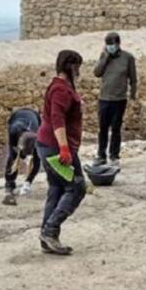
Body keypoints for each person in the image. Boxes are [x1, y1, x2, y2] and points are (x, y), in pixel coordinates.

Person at [34, 50, 87, 255]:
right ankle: (50, 230)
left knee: (56, 189)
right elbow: (57, 119)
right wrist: (64, 148)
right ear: (71, 67)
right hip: (56, 147)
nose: (79, 71)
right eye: (77, 66)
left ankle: (47, 236)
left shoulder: (59, 87)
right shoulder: (61, 90)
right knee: (76, 187)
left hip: (48, 144)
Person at [92, 31, 138, 167]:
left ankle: (114, 156)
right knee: (103, 128)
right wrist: (105, 58)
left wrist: (133, 95)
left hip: (119, 99)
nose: (110, 47)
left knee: (116, 129)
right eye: (107, 45)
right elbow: (97, 73)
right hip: (104, 99)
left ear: (118, 44)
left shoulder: (128, 58)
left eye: (112, 44)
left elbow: (133, 79)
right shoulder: (104, 56)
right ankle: (101, 155)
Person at [2, 107, 40, 206]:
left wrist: (28, 182)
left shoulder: (37, 137)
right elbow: (12, 152)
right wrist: (17, 155)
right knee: (12, 157)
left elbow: (37, 162)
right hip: (16, 115)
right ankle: (9, 185)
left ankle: (27, 183)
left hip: (35, 115)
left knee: (37, 157)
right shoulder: (13, 130)